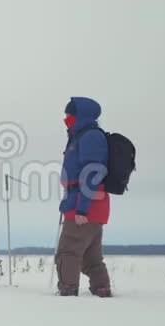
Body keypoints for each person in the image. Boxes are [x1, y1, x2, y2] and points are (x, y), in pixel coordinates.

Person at [57, 97, 112, 297]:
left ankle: (68, 292)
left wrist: (82, 208)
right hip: (86, 202)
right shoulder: (80, 135)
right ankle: (102, 289)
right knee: (91, 256)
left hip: (84, 204)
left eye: (70, 114)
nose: (66, 117)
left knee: (68, 252)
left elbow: (93, 171)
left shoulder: (90, 136)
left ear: (80, 115)